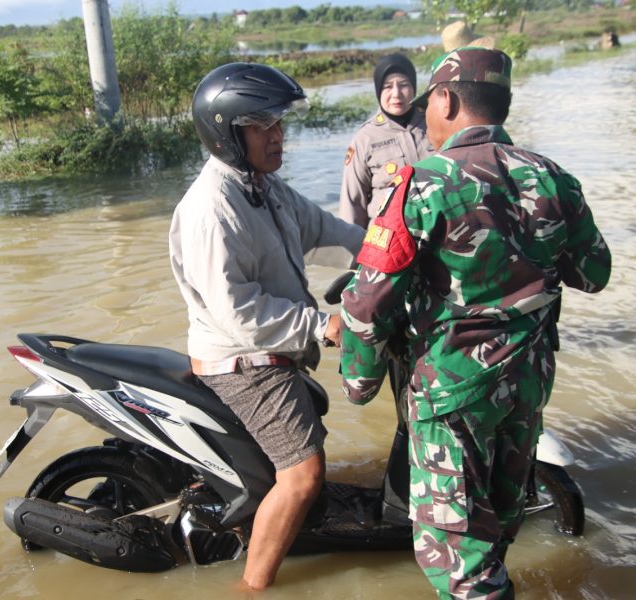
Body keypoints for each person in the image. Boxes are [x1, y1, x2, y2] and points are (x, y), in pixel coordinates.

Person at [339, 47, 611, 599]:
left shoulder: (420, 185)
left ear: (445, 99)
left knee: (460, 563)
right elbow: (594, 272)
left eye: (427, 101)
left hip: (452, 392)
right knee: (497, 532)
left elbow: (366, 303)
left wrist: (359, 384)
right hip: (528, 384)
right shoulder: (555, 177)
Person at [169, 62, 365, 591]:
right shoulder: (213, 208)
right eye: (263, 126)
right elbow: (240, 311)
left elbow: (323, 228)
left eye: (280, 123)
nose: (279, 136)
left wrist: (382, 250)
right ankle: (252, 587)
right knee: (303, 474)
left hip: (269, 347)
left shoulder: (263, 187)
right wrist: (323, 325)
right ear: (229, 133)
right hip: (242, 359)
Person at [338, 53, 433, 228]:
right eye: (388, 87)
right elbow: (352, 205)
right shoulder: (364, 139)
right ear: (377, 90)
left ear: (414, 87)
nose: (396, 93)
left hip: (437, 237)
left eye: (404, 85)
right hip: (389, 243)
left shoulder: (434, 123)